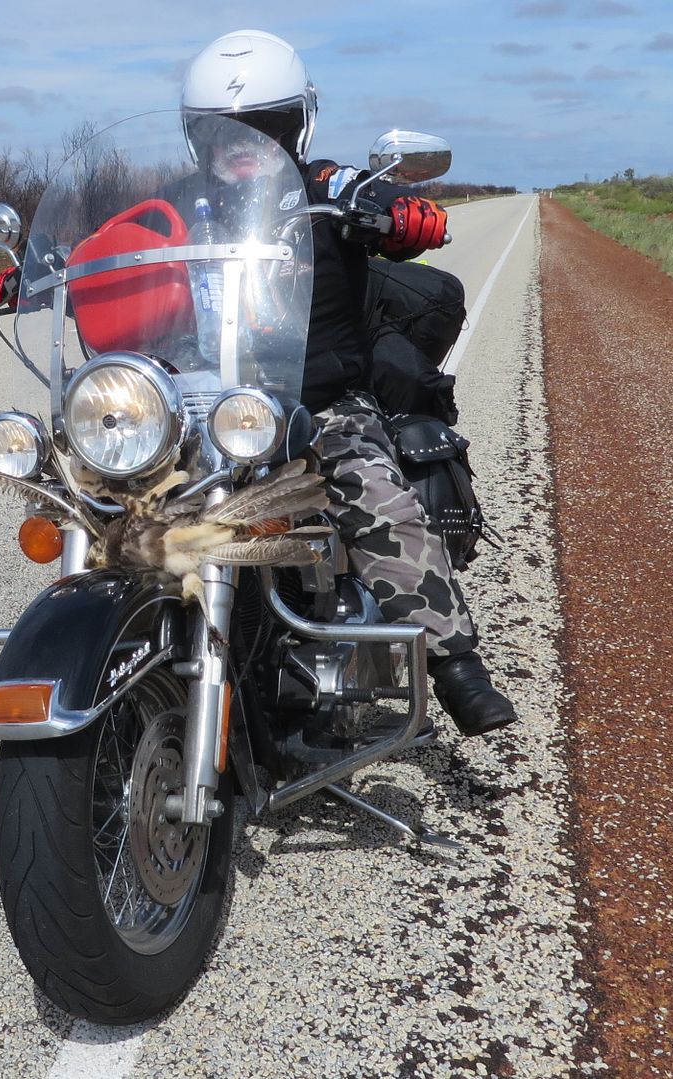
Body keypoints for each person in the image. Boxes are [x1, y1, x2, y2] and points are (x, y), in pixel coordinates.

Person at [178, 28, 518, 737]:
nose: (244, 144)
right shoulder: (180, 207)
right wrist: (47, 266)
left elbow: (387, 204)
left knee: (377, 496)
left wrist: (401, 215)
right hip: (206, 408)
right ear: (198, 137)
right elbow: (114, 242)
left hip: (318, 404)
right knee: (113, 499)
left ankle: (456, 664)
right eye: (224, 132)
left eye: (265, 126)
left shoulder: (330, 186)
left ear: (295, 126)